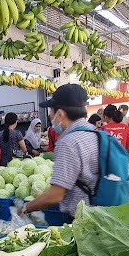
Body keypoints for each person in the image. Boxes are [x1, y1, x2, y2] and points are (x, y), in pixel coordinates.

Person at [22, 84, 98, 219]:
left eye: (51, 111)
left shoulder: (68, 142)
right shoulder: (96, 133)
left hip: (84, 220)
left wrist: (25, 208)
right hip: (102, 215)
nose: (50, 116)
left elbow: (55, 195)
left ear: (61, 114)